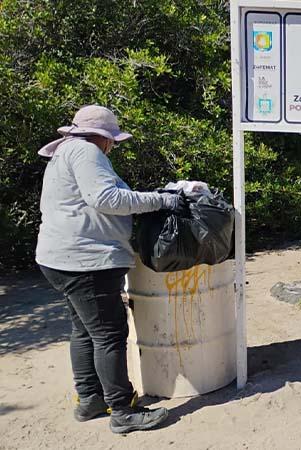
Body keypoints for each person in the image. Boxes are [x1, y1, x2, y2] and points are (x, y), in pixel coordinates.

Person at [36, 105, 184, 434]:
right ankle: (122, 410)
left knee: (85, 330)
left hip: (59, 258)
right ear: (102, 138)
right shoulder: (87, 152)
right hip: (87, 260)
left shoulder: (65, 152)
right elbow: (107, 199)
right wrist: (161, 200)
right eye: (113, 140)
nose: (113, 146)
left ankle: (89, 400)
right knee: (109, 333)